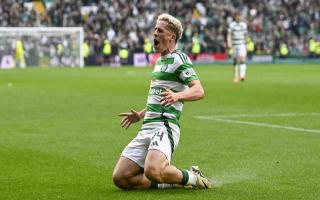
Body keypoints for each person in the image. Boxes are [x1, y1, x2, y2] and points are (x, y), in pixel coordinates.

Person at [112, 13, 212, 190]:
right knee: (121, 178)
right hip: (147, 127)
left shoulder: (179, 59)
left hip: (164, 127)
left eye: (160, 30)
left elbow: (199, 90)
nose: (154, 33)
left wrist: (178, 96)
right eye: (155, 29)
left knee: (152, 171)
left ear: (171, 36)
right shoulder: (159, 61)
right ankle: (170, 182)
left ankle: (192, 177)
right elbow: (158, 97)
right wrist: (141, 115)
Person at [227, 12, 248, 83]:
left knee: (242, 58)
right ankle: (235, 76)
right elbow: (229, 34)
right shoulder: (232, 25)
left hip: (241, 44)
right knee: (235, 60)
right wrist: (229, 42)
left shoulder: (244, 25)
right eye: (237, 16)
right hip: (234, 44)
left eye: (240, 16)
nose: (239, 17)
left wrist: (246, 43)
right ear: (235, 17)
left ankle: (242, 76)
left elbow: (245, 35)